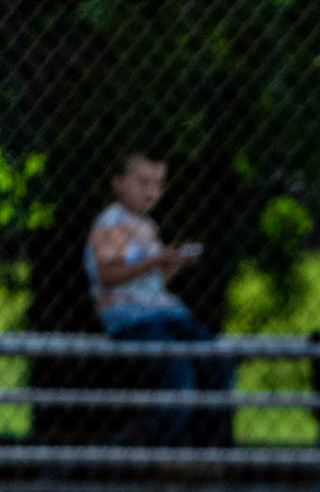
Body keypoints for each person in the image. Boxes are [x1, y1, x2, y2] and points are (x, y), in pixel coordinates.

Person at [83, 150, 234, 445]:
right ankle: (171, 450)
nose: (151, 190)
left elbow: (149, 285)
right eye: (142, 182)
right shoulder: (111, 222)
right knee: (178, 370)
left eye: (157, 183)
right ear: (118, 183)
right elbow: (109, 276)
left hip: (161, 312)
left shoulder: (147, 226)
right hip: (131, 318)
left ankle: (210, 450)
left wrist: (172, 264)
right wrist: (154, 261)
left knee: (218, 362)